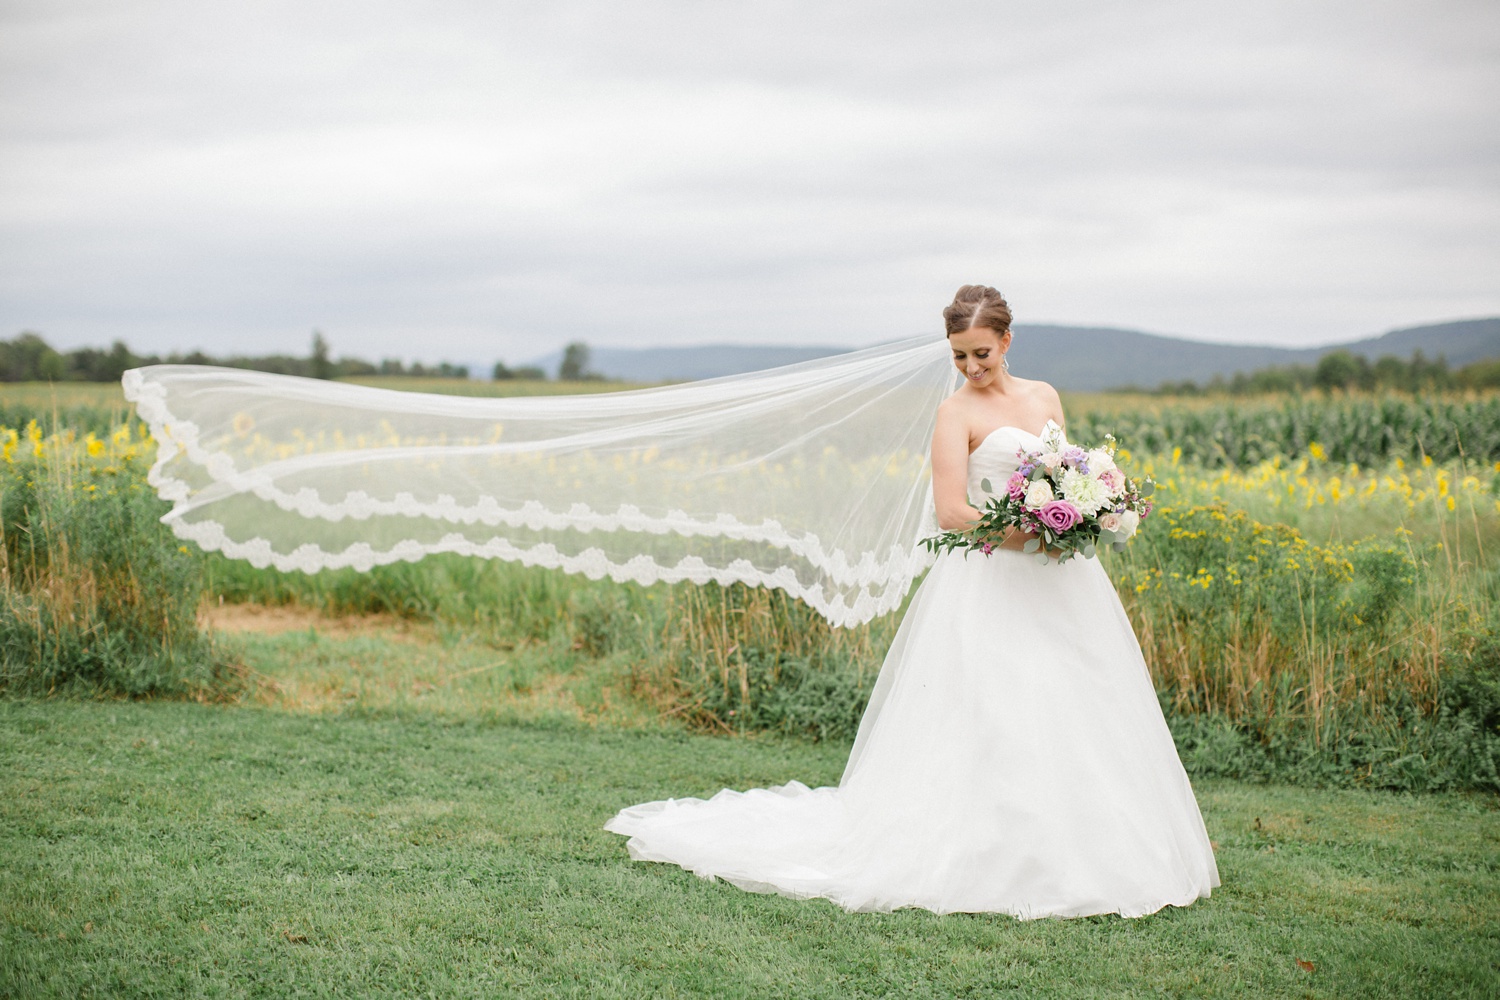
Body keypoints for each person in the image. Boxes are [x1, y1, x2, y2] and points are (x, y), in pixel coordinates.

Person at [604, 285, 1221, 918]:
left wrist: (1088, 510)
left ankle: (1096, 849)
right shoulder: (955, 414)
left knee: (1076, 699)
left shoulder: (1045, 398)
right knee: (995, 705)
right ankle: (984, 850)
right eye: (959, 356)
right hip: (990, 579)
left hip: (1059, 582)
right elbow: (953, 511)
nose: (972, 367)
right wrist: (1039, 532)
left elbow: (1065, 475)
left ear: (1007, 340)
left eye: (981, 353)